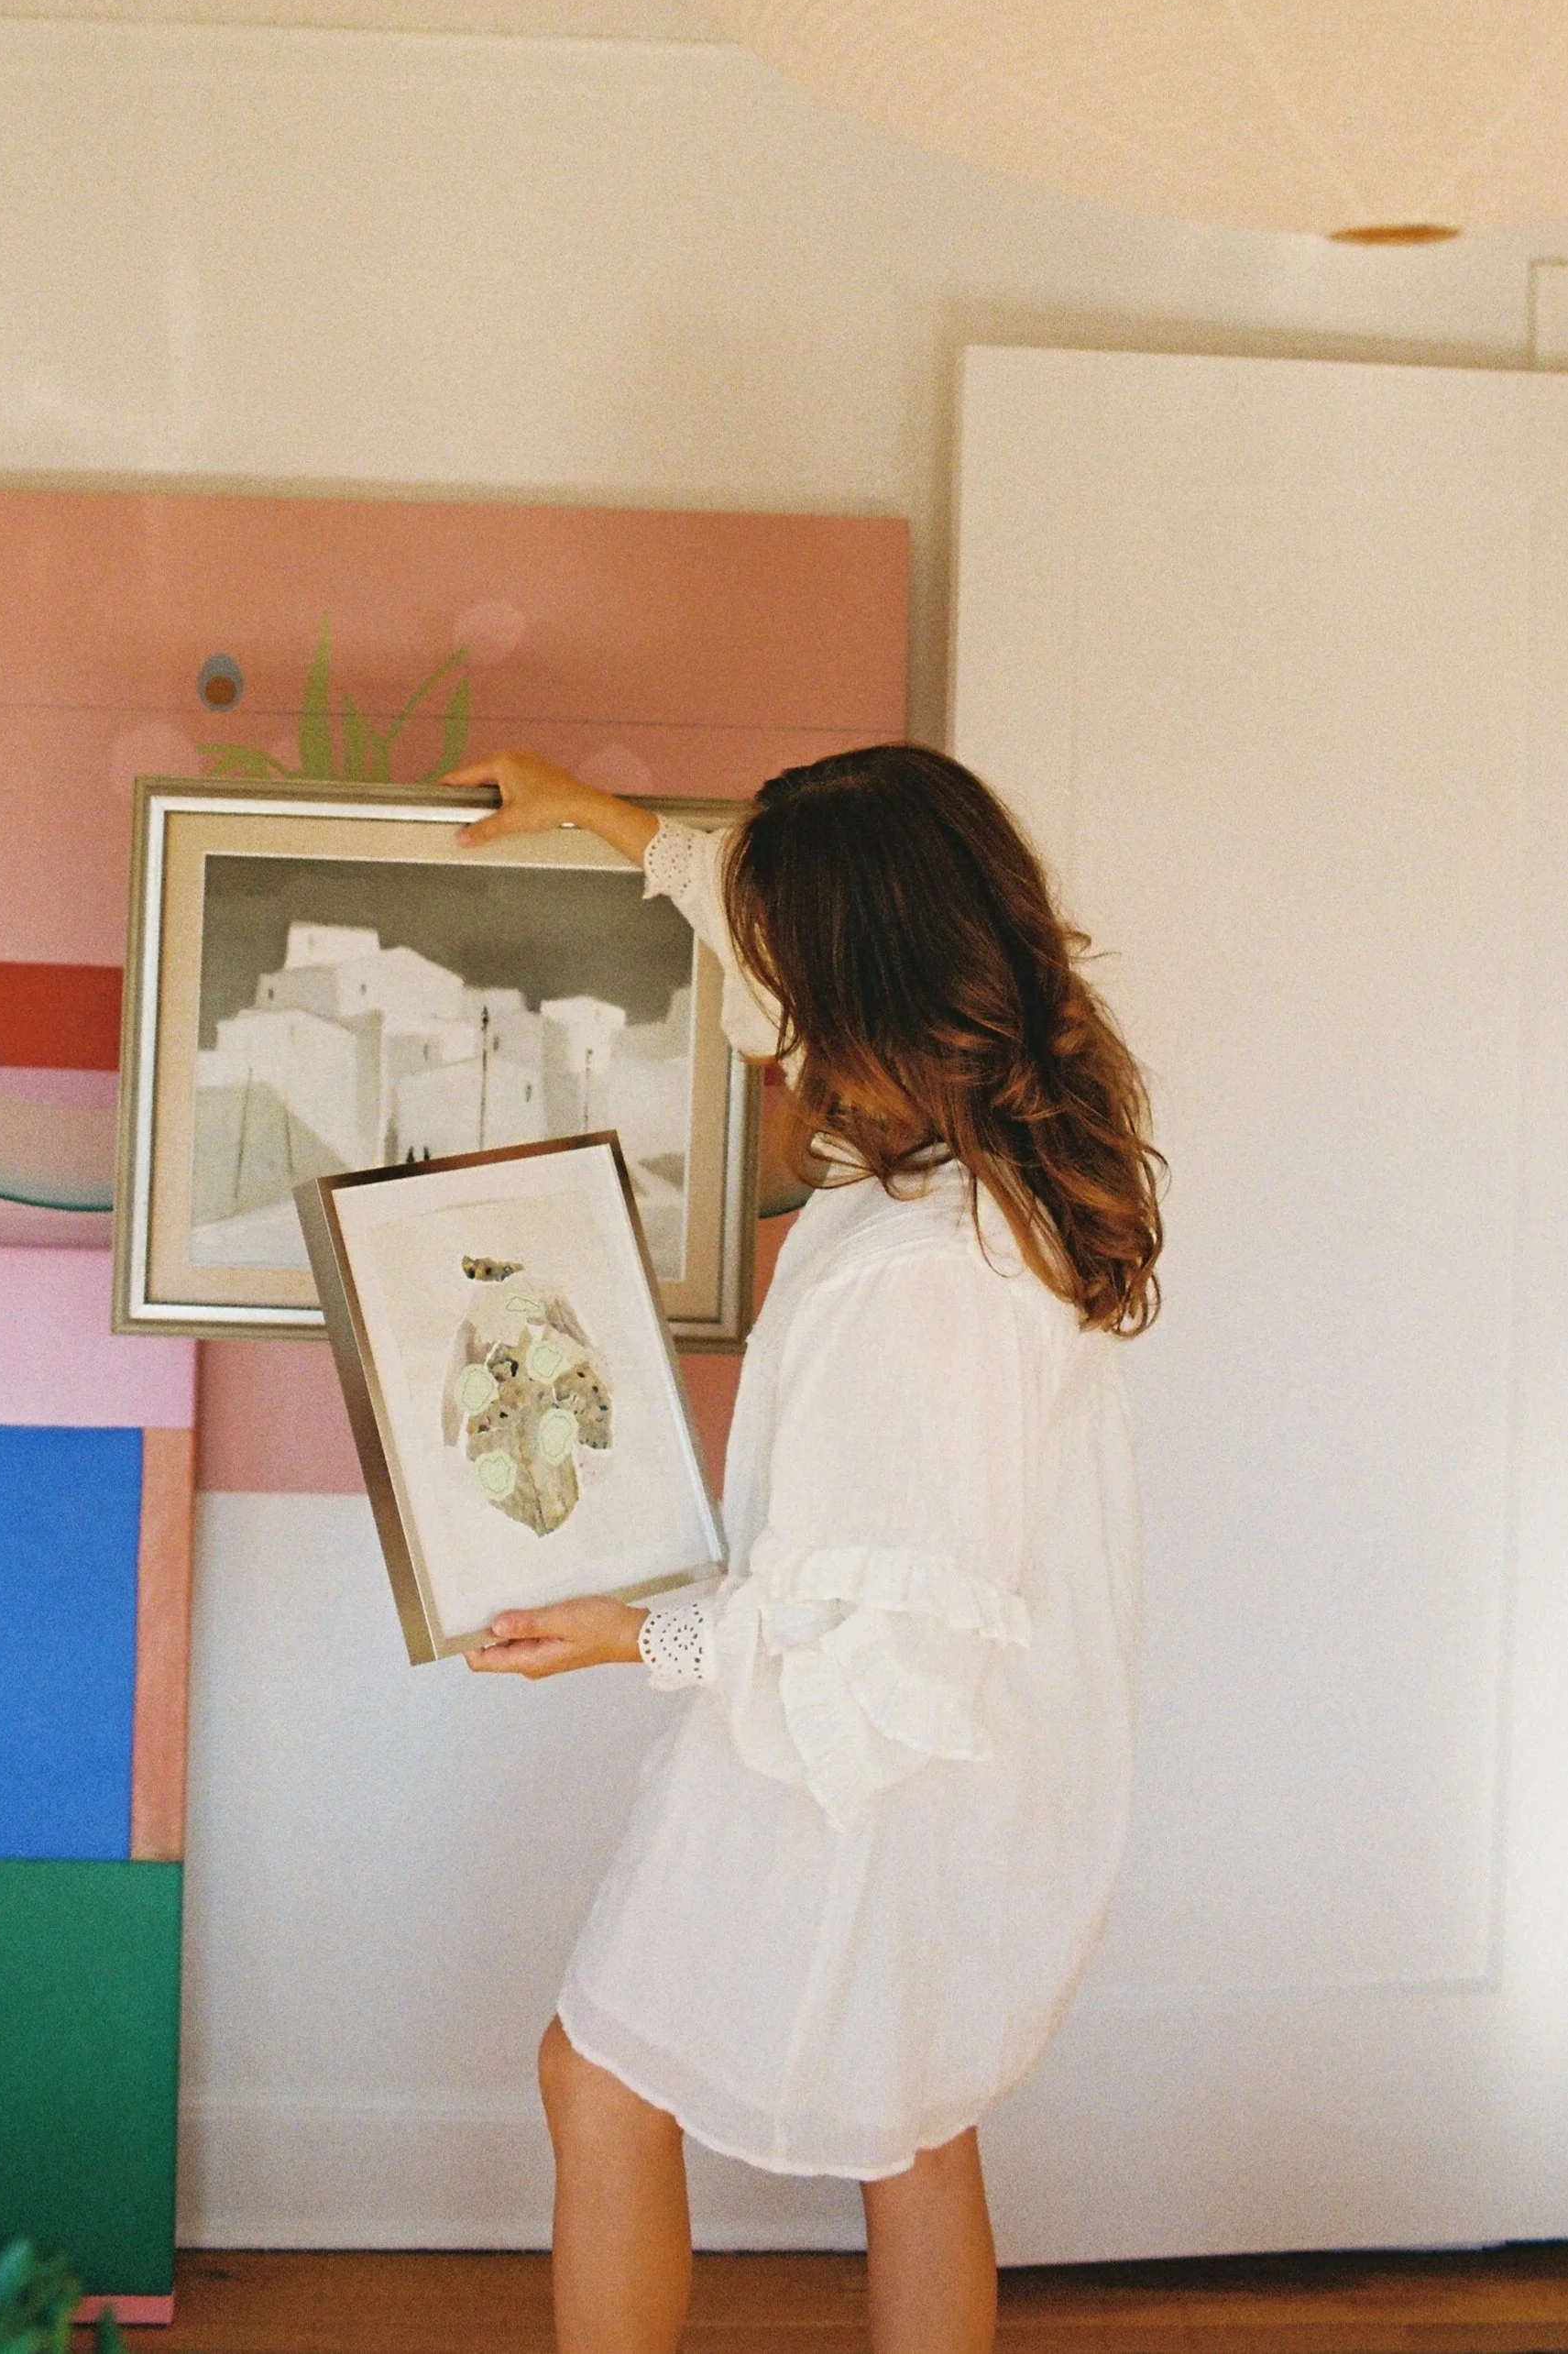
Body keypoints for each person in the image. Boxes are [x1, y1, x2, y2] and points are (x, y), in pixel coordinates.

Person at [445, 743, 1162, 2354]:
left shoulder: (926, 1278)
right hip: (939, 1764)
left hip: (855, 1769)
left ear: (851, 989)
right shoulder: (971, 1179)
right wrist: (610, 819)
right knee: (914, 2130)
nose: (752, 1007)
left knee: (605, 2078)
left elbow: (880, 1657)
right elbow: (780, 924)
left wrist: (634, 1635)